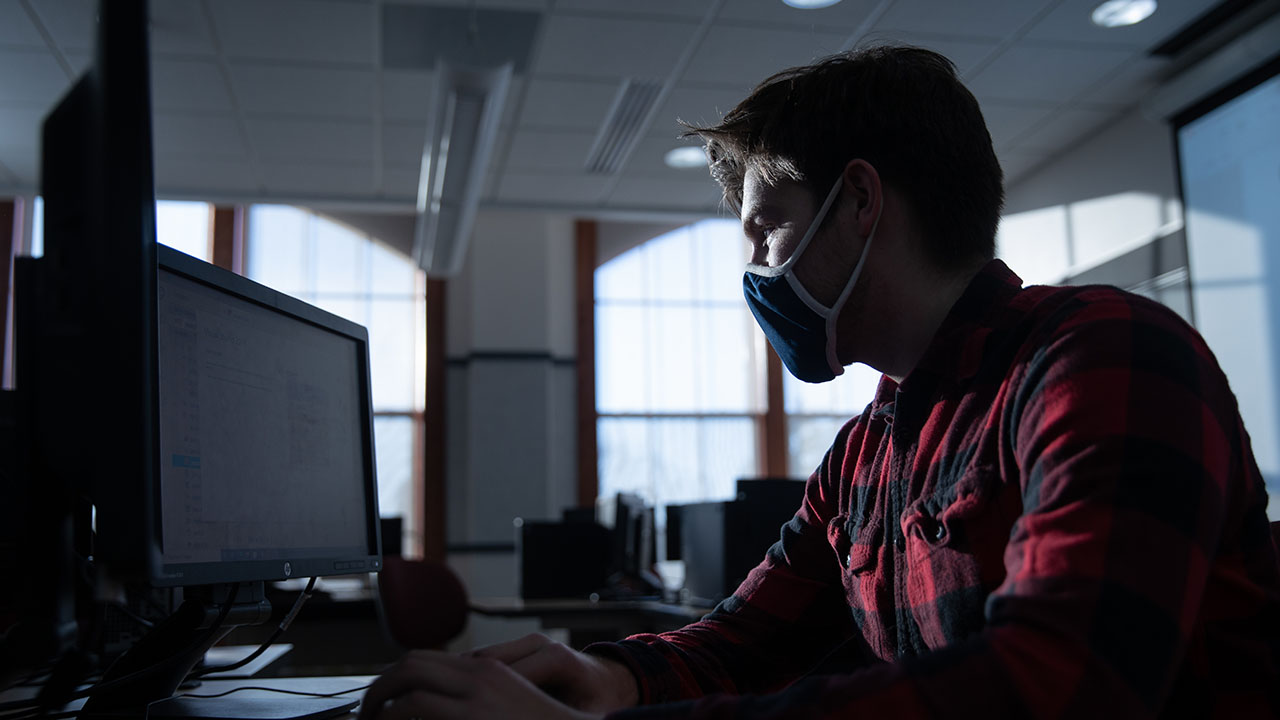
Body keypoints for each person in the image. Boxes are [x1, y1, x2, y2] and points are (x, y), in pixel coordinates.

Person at [359, 45, 1280, 720]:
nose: (756, 269)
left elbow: (1059, 686)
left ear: (861, 202)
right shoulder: (863, 454)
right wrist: (613, 678)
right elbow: (745, 641)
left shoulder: (1104, 355)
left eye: (766, 229)